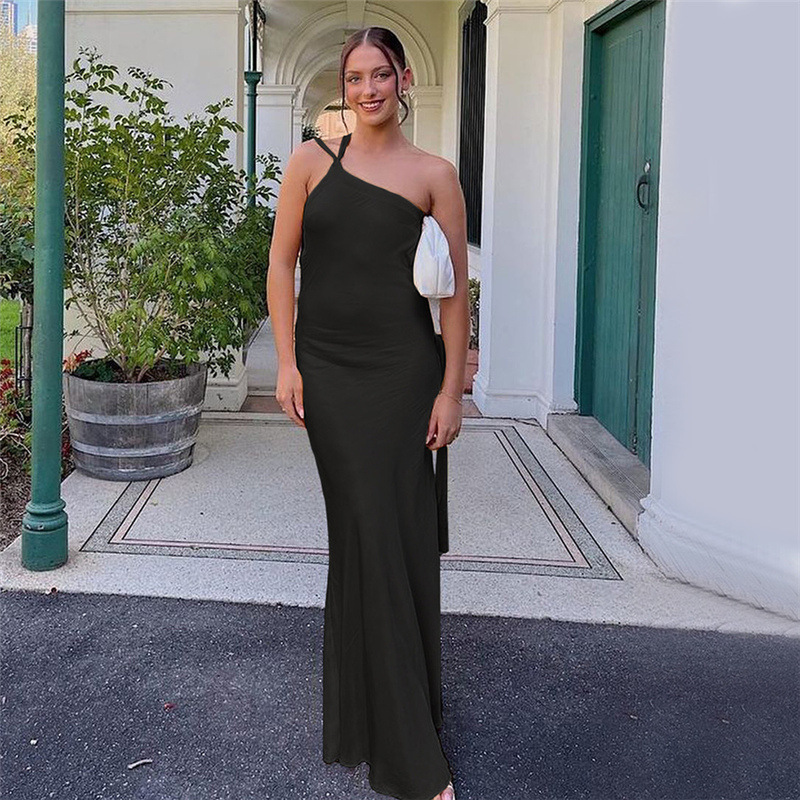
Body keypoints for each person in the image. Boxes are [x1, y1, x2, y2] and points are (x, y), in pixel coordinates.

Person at [267, 25, 469, 800]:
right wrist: (287, 362)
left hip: (403, 375)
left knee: (389, 538)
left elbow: (453, 296)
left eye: (380, 74)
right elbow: (281, 262)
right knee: (367, 533)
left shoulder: (436, 176)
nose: (368, 89)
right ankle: (378, 717)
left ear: (404, 79)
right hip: (329, 374)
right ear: (342, 86)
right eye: (355, 77)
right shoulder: (310, 163)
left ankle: (406, 744)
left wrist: (450, 390)